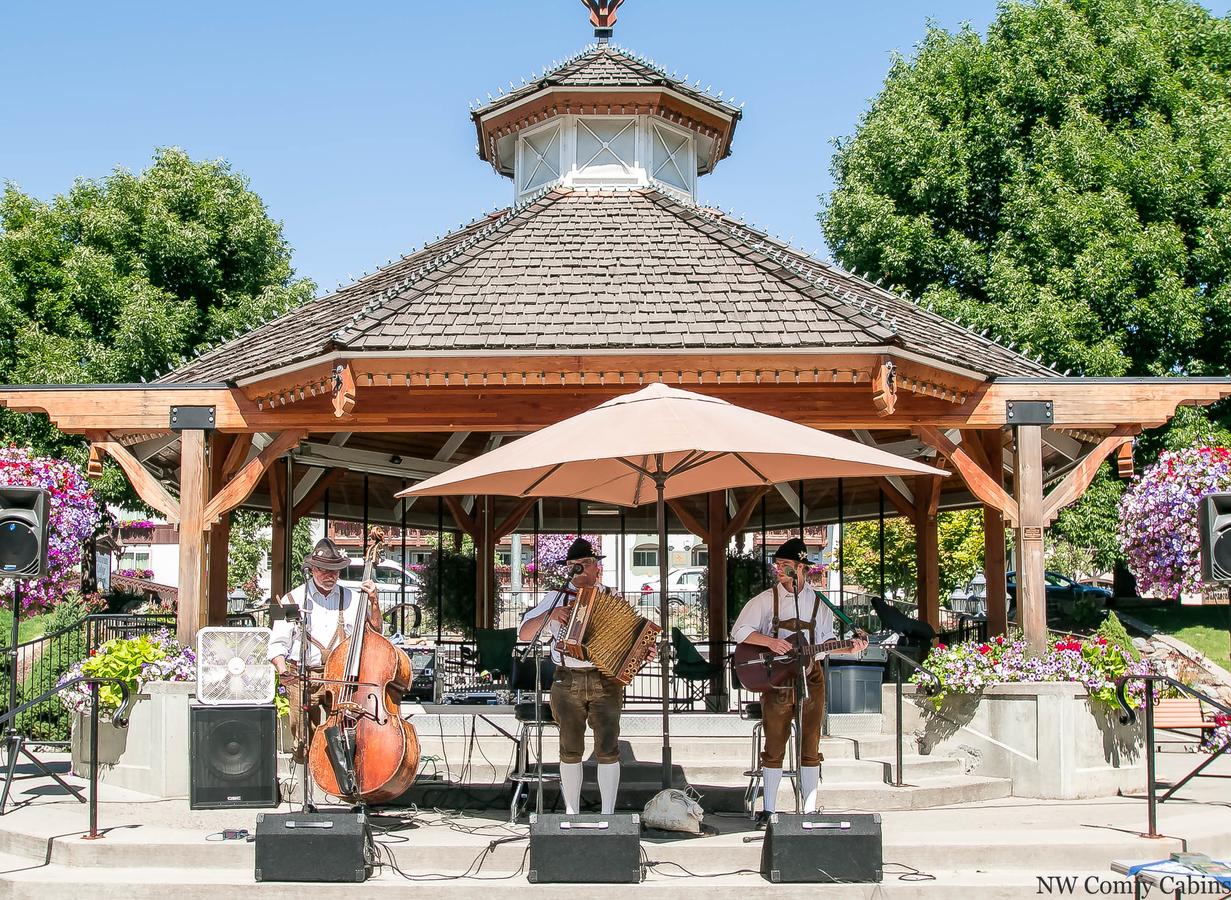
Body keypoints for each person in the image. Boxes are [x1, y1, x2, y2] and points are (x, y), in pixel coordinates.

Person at [731, 537, 867, 825]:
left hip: (811, 676)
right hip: (778, 678)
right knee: (775, 741)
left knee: (811, 740)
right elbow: (739, 631)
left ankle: (808, 810)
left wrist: (848, 647)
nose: (779, 569)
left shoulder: (820, 602)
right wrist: (770, 642)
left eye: (785, 565)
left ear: (801, 568)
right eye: (778, 564)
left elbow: (826, 642)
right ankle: (769, 809)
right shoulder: (766, 600)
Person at [518, 537, 623, 815]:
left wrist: (640, 652)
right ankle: (571, 812)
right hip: (566, 679)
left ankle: (609, 814)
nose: (583, 570)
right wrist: (553, 616)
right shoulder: (555, 598)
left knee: (608, 747)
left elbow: (630, 639)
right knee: (570, 747)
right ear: (569, 567)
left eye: (587, 564)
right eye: (576, 565)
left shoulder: (612, 597)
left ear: (596, 568)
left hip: (605, 679)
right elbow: (525, 633)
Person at [268, 538, 382, 763]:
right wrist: (283, 671)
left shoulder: (351, 598)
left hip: (340, 675)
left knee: (343, 732)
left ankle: (340, 779)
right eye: (325, 571)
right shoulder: (293, 598)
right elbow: (277, 644)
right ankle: (306, 777)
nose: (331, 576)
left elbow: (376, 633)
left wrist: (374, 603)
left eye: (336, 571)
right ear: (312, 570)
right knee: (301, 733)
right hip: (304, 674)